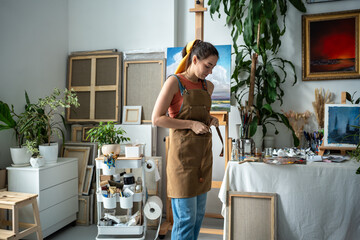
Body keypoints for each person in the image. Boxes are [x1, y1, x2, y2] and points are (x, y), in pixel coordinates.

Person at [152, 39, 219, 240]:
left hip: (202, 159)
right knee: (186, 218)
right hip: (182, 161)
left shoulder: (209, 86)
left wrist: (210, 118)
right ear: (195, 59)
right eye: (208, 66)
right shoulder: (174, 82)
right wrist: (191, 124)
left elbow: (202, 115)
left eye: (214, 67)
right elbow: (157, 119)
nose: (211, 71)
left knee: (198, 217)